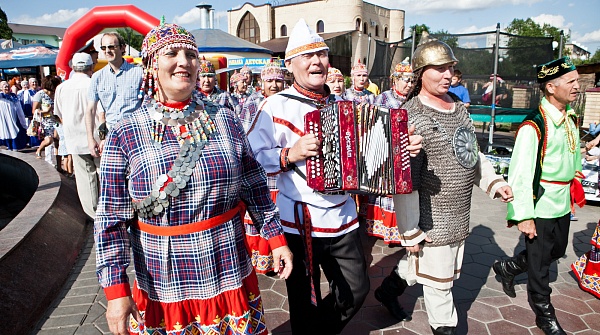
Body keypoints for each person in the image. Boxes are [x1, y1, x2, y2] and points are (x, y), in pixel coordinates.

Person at [94, 21, 292, 335]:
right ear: (151, 65)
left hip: (228, 265)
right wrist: (116, 290)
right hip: (165, 278)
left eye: (191, 54)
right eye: (171, 53)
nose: (183, 61)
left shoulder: (224, 118)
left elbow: (253, 185)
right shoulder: (126, 131)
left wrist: (275, 238)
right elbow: (110, 218)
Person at [247, 18, 422, 335]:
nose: (316, 62)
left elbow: (373, 154)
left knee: (356, 290)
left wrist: (402, 147)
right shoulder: (274, 106)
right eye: (306, 56)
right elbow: (252, 159)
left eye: (321, 55)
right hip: (299, 219)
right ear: (290, 64)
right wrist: (290, 154)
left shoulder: (347, 104)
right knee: (303, 301)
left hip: (343, 214)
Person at [381, 33, 513, 335]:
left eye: (450, 68)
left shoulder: (458, 108)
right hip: (429, 218)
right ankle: (445, 329)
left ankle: (387, 291)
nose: (448, 75)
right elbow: (405, 182)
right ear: (420, 73)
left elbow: (471, 154)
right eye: (439, 69)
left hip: (458, 214)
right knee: (440, 289)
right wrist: (410, 230)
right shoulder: (411, 116)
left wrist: (494, 182)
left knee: (421, 266)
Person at [493, 56, 584, 335]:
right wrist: (523, 215)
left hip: (562, 200)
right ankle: (544, 312)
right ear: (551, 88)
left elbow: (573, 152)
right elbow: (519, 174)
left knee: (556, 250)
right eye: (571, 81)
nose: (577, 86)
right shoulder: (534, 125)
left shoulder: (569, 116)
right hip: (541, 202)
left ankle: (508, 267)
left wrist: (575, 176)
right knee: (541, 264)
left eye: (577, 80)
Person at [360, 58, 414, 253]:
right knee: (382, 189)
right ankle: (380, 228)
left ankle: (398, 229)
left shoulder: (413, 100)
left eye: (411, 80)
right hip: (384, 150)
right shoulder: (384, 98)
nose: (409, 84)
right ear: (395, 80)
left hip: (406, 152)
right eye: (405, 80)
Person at [238, 58, 286, 274]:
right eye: (270, 81)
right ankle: (261, 259)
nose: (274, 85)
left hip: (285, 169)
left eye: (278, 80)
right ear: (261, 82)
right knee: (261, 211)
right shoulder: (252, 104)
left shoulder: (287, 102)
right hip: (259, 169)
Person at [54, 52, 102, 219]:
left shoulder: (61, 88)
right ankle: (108, 211)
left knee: (85, 179)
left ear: (73, 68)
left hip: (75, 139)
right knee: (103, 175)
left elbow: (59, 114)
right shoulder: (95, 84)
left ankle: (93, 215)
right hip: (98, 138)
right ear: (91, 67)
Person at [86, 31, 143, 158]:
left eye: (112, 47)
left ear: (122, 48)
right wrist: (91, 139)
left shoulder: (139, 73)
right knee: (113, 177)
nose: (107, 51)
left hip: (136, 135)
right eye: (104, 48)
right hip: (112, 136)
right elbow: (90, 110)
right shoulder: (97, 77)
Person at [32, 75, 62, 162]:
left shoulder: (55, 94)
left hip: (57, 120)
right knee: (49, 140)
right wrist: (45, 111)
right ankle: (39, 150)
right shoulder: (40, 95)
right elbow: (34, 111)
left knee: (58, 143)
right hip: (46, 122)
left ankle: (58, 165)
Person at [0, 80, 28, 151]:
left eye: (8, 86)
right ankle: (10, 146)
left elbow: (18, 106)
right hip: (5, 118)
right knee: (8, 131)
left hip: (15, 116)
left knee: (17, 130)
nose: (7, 88)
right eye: (5, 87)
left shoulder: (13, 96)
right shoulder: (1, 96)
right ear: (1, 88)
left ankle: (16, 146)